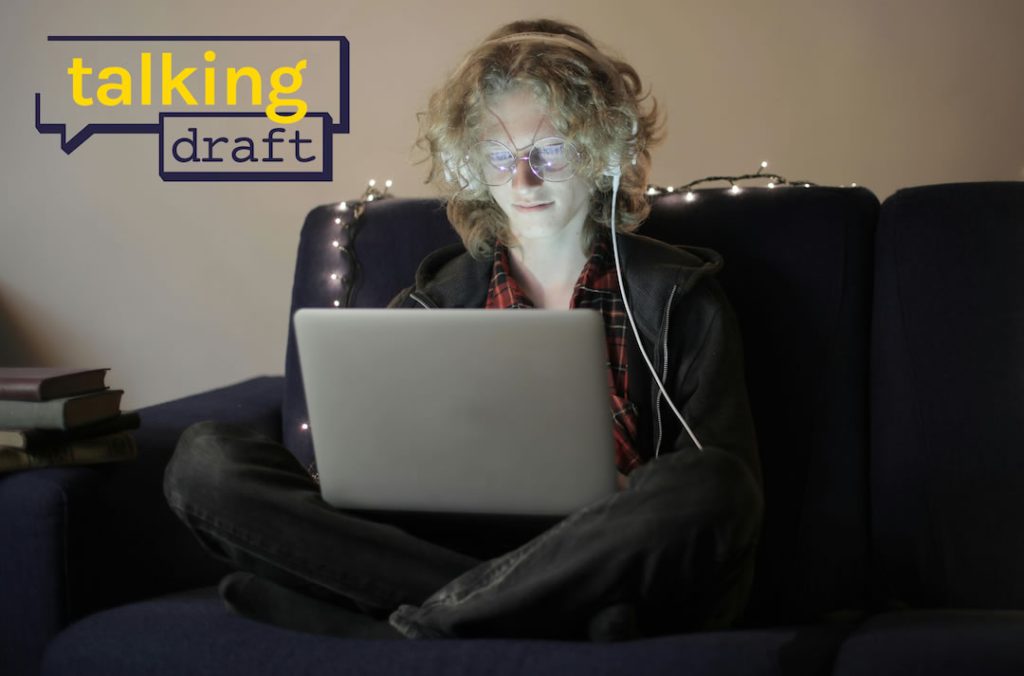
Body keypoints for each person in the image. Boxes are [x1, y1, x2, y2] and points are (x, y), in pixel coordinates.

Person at [163, 18, 763, 641]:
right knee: (204, 461)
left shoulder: (680, 298)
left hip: (599, 553)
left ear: (603, 153)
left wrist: (622, 494)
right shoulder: (430, 305)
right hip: (442, 541)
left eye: (550, 152)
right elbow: (354, 475)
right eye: (500, 158)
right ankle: (521, 614)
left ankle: (402, 620)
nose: (523, 181)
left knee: (714, 485)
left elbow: (726, 501)